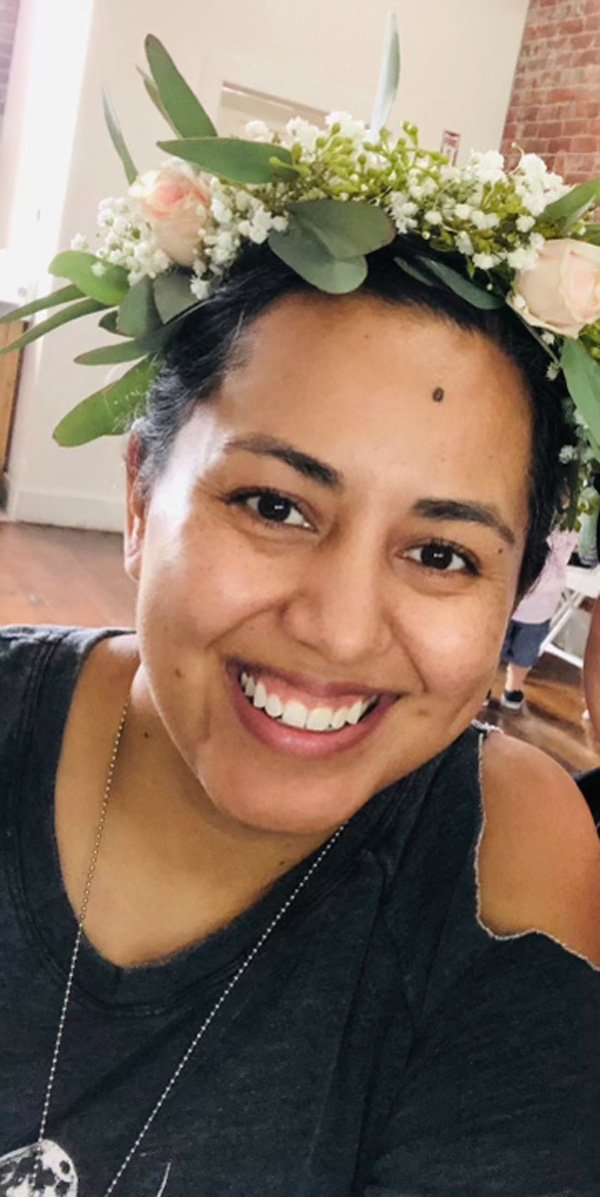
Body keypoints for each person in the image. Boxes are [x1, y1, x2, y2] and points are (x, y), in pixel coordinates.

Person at [0, 33, 600, 1197]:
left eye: (442, 553)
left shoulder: (497, 865)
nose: (337, 627)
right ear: (140, 499)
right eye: (275, 505)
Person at [500, 525, 578, 711]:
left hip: (537, 610)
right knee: (493, 650)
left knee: (524, 655)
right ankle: (484, 688)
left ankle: (513, 688)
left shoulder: (569, 525)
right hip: (508, 602)